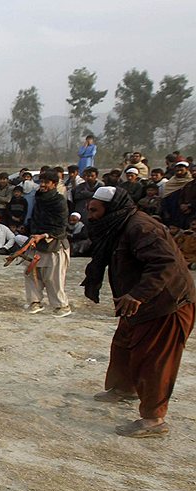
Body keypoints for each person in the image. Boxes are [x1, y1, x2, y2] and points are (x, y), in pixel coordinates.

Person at [82, 186, 196, 437]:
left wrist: (138, 295)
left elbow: (165, 263)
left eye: (94, 210)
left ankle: (154, 420)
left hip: (166, 304)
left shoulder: (141, 228)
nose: (90, 215)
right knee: (123, 346)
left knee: (155, 360)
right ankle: (124, 389)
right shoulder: (120, 225)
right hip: (140, 304)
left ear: (110, 208)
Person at [24, 171, 71, 317]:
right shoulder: (39, 198)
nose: (42, 185)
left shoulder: (59, 201)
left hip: (54, 244)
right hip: (36, 243)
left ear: (54, 184)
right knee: (31, 273)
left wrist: (44, 235)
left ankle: (61, 306)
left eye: (46, 182)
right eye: (41, 182)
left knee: (53, 277)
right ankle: (35, 302)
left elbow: (61, 226)